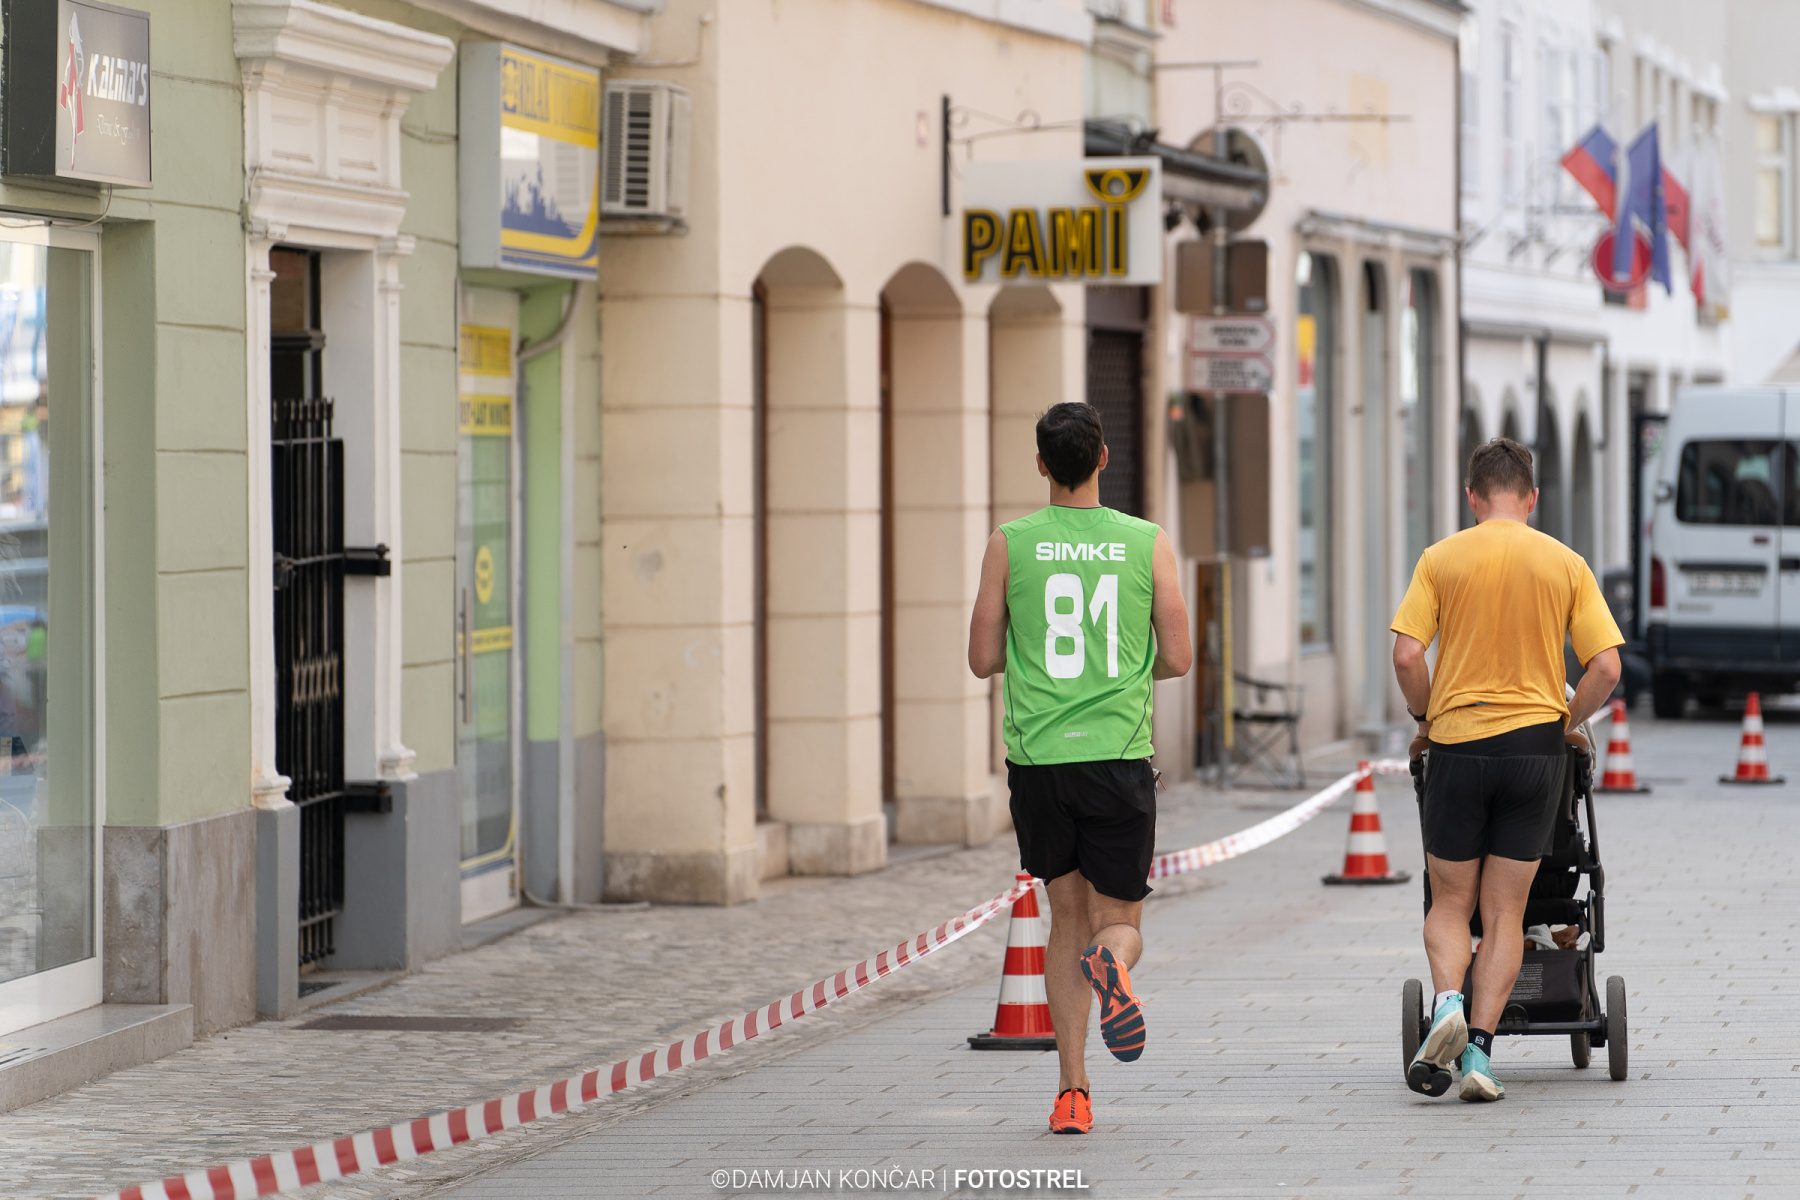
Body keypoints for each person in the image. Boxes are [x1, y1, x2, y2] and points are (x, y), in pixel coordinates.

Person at [967, 402, 1192, 1135]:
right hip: (1118, 758)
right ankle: (1113, 965)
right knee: (1116, 924)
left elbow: (981, 658)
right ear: (1103, 457)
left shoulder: (1010, 543)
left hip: (1039, 763)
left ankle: (1072, 1093)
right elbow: (1179, 657)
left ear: (1041, 465)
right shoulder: (1146, 542)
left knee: (1064, 918)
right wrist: (1121, 672)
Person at [1390, 437, 1622, 1102]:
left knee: (1449, 903)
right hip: (1534, 753)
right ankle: (1480, 1057)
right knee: (1504, 914)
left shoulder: (1440, 559)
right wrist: (1564, 720)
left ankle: (1447, 1005)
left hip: (1458, 747)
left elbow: (1407, 656)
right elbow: (1606, 667)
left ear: (1472, 497)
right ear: (1532, 498)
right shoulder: (1566, 563)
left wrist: (1425, 719)